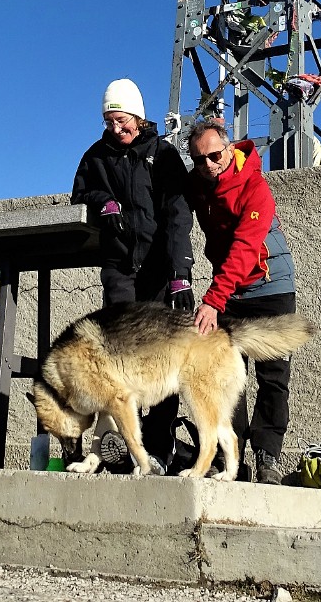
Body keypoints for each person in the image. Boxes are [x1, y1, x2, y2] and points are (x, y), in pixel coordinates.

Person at [71, 78, 195, 471]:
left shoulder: (163, 155)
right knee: (118, 359)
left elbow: (178, 216)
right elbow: (79, 193)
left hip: (160, 270)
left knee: (160, 361)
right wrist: (102, 200)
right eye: (108, 121)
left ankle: (160, 445)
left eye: (121, 120)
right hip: (121, 267)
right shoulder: (96, 156)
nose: (115, 129)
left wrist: (180, 274)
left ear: (138, 117)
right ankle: (122, 446)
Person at [186, 118, 297, 485]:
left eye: (214, 156)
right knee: (223, 377)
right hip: (230, 290)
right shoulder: (198, 184)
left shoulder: (255, 187)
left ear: (229, 149)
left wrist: (213, 300)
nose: (208, 165)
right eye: (198, 159)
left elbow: (246, 247)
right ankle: (230, 455)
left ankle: (268, 457)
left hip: (268, 287)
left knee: (273, 376)